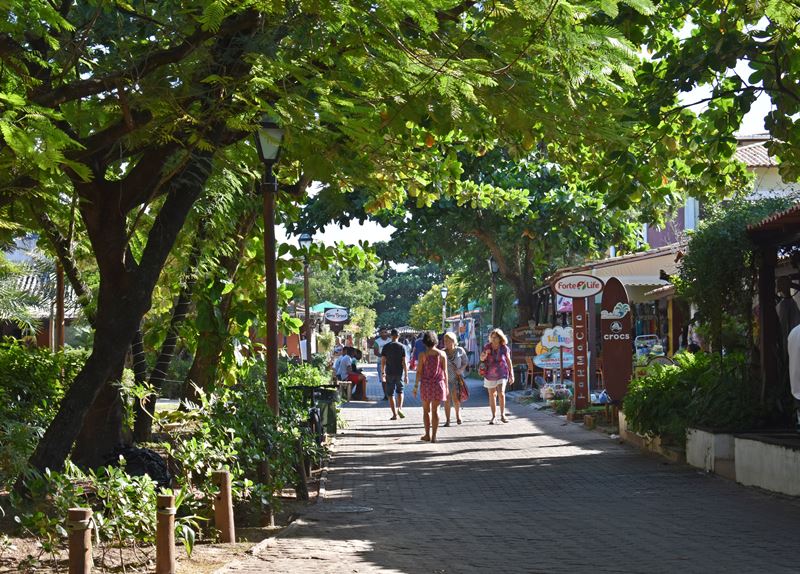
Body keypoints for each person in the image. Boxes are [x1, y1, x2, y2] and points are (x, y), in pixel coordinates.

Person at [413, 330, 448, 442]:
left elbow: (419, 372)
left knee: (426, 411)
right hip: (438, 384)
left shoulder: (422, 355)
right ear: (436, 342)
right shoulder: (442, 354)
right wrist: (446, 387)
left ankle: (427, 434)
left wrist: (415, 386)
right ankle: (434, 436)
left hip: (426, 385)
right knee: (436, 411)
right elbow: (445, 372)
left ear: (424, 343)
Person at [480, 328, 514, 424]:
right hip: (489, 374)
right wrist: (485, 354)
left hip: (502, 372)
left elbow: (508, 361)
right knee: (492, 394)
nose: (493, 339)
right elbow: (481, 358)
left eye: (496, 337)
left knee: (501, 393)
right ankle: (494, 416)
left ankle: (503, 415)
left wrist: (512, 375)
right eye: (492, 337)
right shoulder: (487, 346)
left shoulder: (504, 348)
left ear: (500, 338)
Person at [381, 329, 408, 420]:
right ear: (398, 336)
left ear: (391, 336)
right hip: (399, 373)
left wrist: (382, 372)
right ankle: (400, 408)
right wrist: (406, 375)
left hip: (389, 373)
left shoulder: (386, 347)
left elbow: (383, 361)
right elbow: (404, 362)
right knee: (400, 391)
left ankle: (394, 414)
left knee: (390, 394)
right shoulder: (402, 347)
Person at [443, 332, 468, 426]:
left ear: (453, 341)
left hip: (456, 378)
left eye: (447, 340)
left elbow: (465, 362)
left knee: (456, 399)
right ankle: (448, 420)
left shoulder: (459, 350)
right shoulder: (443, 352)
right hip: (445, 379)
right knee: (446, 400)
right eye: (444, 341)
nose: (445, 342)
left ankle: (458, 416)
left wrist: (461, 370)